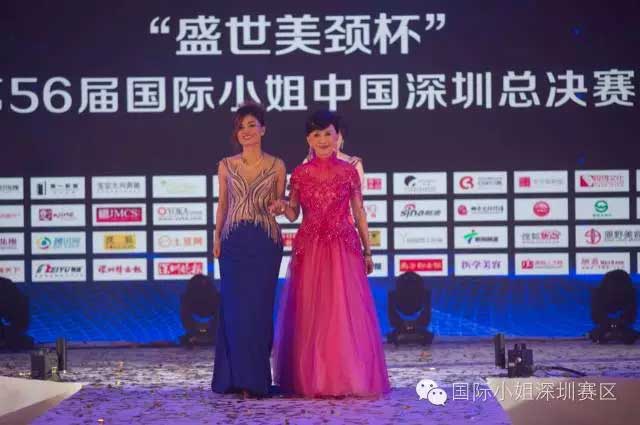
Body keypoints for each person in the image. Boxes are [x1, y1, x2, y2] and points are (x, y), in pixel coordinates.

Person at [270, 110, 390, 397]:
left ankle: (345, 378)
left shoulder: (349, 171)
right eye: (316, 134)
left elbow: (359, 213)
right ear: (308, 139)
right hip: (310, 248)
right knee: (312, 314)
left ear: (338, 137)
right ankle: (314, 379)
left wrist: (368, 251)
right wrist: (281, 207)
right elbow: (294, 213)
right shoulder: (300, 173)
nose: (323, 140)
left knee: (341, 313)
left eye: (328, 133)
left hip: (343, 248)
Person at [211, 103, 285, 398]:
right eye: (241, 127)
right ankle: (233, 378)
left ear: (263, 129)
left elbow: (280, 204)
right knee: (234, 310)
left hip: (265, 242)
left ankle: (256, 379)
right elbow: (223, 205)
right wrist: (216, 237)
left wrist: (280, 206)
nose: (246, 131)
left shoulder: (277, 165)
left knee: (259, 310)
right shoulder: (226, 165)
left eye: (252, 125)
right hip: (233, 242)